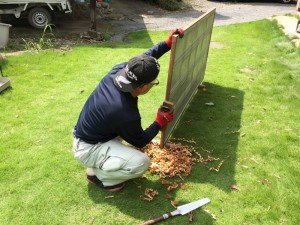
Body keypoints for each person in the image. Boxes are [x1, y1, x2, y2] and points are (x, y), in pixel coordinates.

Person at [72, 28, 184, 192]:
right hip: (88, 149)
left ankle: (101, 163)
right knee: (142, 163)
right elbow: (140, 140)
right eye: (154, 83)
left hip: (92, 135)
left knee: (122, 134)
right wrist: (160, 121)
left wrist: (167, 44)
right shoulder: (124, 112)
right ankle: (100, 176)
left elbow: (144, 60)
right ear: (144, 86)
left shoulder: (119, 70)